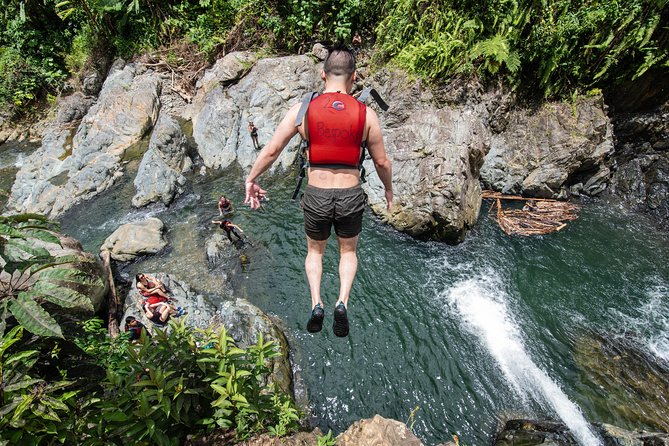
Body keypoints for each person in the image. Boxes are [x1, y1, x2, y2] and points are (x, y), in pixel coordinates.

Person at [243, 45, 393, 337]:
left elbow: (273, 150)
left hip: (316, 195)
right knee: (348, 253)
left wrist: (251, 178)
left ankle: (316, 302)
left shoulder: (303, 109)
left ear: (323, 75)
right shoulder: (366, 114)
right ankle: (342, 302)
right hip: (350, 195)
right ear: (354, 78)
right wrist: (388, 190)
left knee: (315, 252)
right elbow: (382, 161)